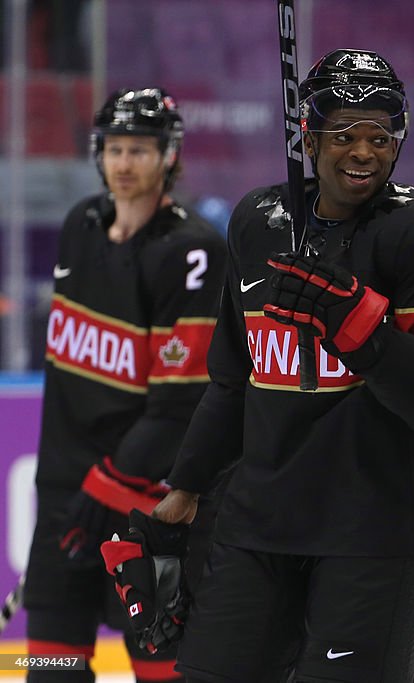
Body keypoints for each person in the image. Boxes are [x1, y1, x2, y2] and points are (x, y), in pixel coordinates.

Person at [144, 49, 414, 683]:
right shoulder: (257, 221)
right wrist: (182, 493)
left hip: (376, 531)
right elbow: (233, 380)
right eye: (344, 135)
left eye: (380, 137)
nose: (364, 153)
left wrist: (359, 328)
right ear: (307, 136)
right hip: (262, 520)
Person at [22, 87, 227, 683]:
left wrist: (106, 485)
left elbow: (180, 405)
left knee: (162, 671)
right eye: (114, 148)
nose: (124, 163)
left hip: (148, 509)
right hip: (65, 500)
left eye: (140, 149)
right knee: (48, 668)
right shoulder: (79, 225)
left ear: (169, 155)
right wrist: (72, 491)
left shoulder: (193, 251)